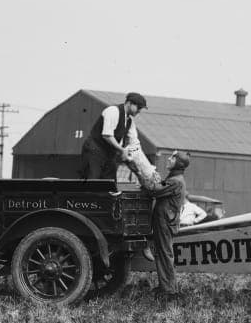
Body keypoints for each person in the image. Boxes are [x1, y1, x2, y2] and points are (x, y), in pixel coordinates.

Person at [143, 150, 190, 299]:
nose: (168, 159)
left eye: (172, 158)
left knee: (165, 255)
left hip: (165, 222)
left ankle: (168, 290)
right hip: (165, 222)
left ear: (178, 163)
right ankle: (166, 287)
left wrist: (147, 177)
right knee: (164, 254)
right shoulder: (175, 179)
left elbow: (154, 191)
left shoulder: (175, 181)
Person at [79, 92, 147, 180]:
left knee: (110, 181)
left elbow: (135, 143)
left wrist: (143, 164)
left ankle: (108, 193)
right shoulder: (113, 111)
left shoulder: (130, 121)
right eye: (139, 107)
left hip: (109, 153)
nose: (140, 111)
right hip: (94, 149)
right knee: (92, 179)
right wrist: (122, 150)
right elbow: (107, 135)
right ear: (129, 103)